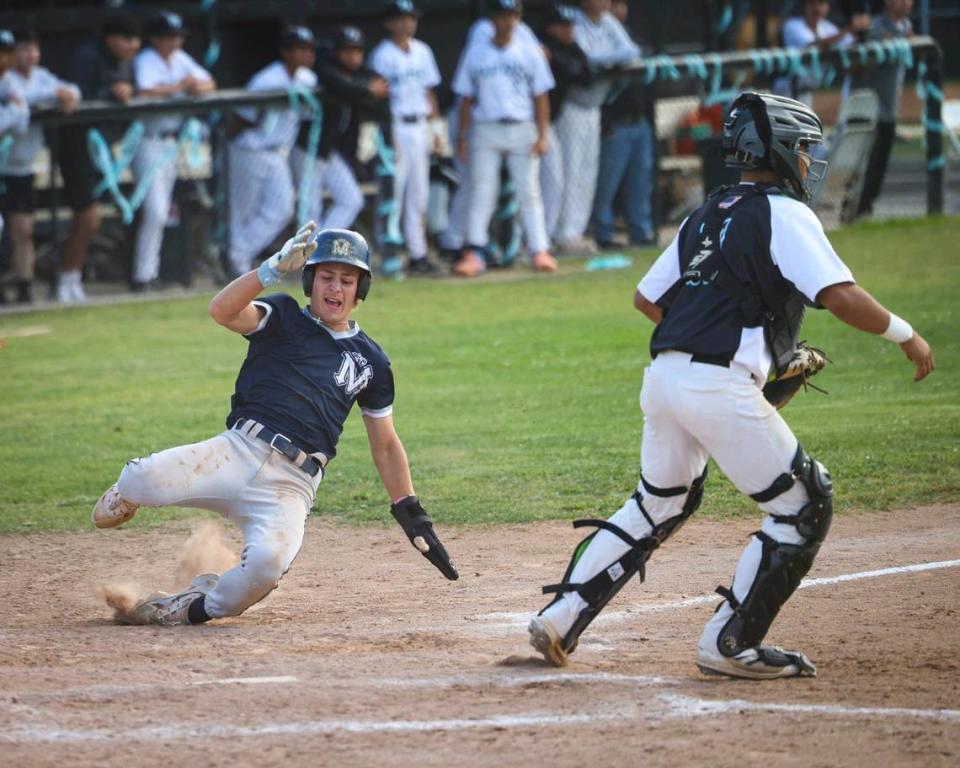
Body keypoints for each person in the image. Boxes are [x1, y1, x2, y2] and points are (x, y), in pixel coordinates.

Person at [528, 92, 934, 679]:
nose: (806, 161)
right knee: (803, 505)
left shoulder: (707, 211)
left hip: (665, 377)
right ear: (775, 150)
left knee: (657, 503)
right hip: (716, 385)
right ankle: (729, 644)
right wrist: (906, 335)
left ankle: (560, 618)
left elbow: (648, 298)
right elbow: (839, 296)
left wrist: (714, 344)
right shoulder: (786, 213)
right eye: (801, 149)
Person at [90, 223, 459, 626]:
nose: (335, 289)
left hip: (291, 484)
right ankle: (127, 490)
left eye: (347, 280)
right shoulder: (282, 316)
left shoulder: (371, 361)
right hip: (237, 451)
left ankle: (190, 603)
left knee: (265, 568)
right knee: (141, 480)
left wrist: (411, 512)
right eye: (326, 277)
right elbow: (222, 311)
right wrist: (267, 272)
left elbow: (385, 445)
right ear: (309, 281)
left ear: (360, 290)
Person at [451, 0, 557, 278]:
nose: (508, 20)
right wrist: (462, 136)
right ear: (493, 19)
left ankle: (539, 249)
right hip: (486, 127)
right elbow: (466, 98)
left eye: (512, 15)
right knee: (482, 191)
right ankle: (475, 251)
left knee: (529, 191)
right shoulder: (476, 52)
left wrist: (543, 134)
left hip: (522, 126)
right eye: (502, 15)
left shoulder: (529, 51)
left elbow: (541, 96)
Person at [56, 13, 140, 303]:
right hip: (77, 145)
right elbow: (75, 99)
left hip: (104, 150)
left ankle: (71, 276)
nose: (133, 46)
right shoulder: (87, 58)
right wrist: (110, 92)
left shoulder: (125, 62)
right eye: (127, 39)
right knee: (88, 217)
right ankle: (67, 276)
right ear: (111, 39)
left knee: (91, 219)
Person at [130, 11, 215, 291]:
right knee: (155, 210)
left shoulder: (180, 59)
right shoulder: (146, 60)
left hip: (172, 144)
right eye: (168, 37)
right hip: (149, 141)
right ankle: (143, 276)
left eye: (177, 36)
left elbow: (209, 83)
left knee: (164, 209)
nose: (174, 42)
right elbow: (144, 92)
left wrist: (191, 86)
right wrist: (180, 87)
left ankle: (150, 274)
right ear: (155, 39)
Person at [228, 25, 317, 278]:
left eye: (309, 49)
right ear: (285, 52)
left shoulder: (308, 80)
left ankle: (237, 254)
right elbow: (240, 118)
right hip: (250, 149)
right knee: (241, 211)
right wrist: (233, 150)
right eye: (300, 49)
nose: (306, 55)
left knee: (283, 208)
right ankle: (237, 265)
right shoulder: (266, 80)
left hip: (278, 153)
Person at [552, 0, 639, 255]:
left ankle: (575, 232)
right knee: (569, 169)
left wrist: (607, 60)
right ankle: (563, 232)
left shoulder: (608, 22)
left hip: (594, 106)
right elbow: (585, 57)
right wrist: (610, 59)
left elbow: (631, 51)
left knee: (587, 171)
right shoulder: (574, 21)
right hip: (571, 106)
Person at [368, 0, 443, 276]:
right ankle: (387, 250)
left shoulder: (423, 51)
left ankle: (418, 252)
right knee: (393, 192)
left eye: (411, 18)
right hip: (396, 127)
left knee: (419, 194)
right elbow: (378, 101)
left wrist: (436, 131)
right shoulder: (382, 55)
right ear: (389, 22)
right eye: (400, 18)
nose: (407, 23)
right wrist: (387, 137)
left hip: (420, 125)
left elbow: (429, 93)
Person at [291, 26, 386, 232]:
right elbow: (335, 81)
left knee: (351, 200)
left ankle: (319, 249)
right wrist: (366, 89)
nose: (353, 56)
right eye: (347, 50)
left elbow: (378, 82)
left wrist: (365, 87)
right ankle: (308, 258)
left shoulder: (358, 74)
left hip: (329, 153)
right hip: (307, 150)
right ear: (337, 51)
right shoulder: (324, 69)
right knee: (310, 211)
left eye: (357, 50)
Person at [591, 0, 655, 248]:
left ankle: (641, 230)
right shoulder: (599, 39)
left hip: (639, 122)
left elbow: (643, 52)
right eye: (613, 5)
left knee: (641, 182)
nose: (617, 10)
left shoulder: (628, 36)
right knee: (607, 184)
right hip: (615, 124)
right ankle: (603, 234)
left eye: (621, 5)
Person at [851, 0, 913, 217]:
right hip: (870, 108)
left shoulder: (905, 27)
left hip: (890, 108)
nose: (905, 3)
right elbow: (857, 64)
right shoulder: (875, 28)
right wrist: (879, 48)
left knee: (880, 164)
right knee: (862, 162)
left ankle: (866, 208)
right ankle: (853, 207)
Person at [538, 4, 592, 244]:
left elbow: (585, 75)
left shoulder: (568, 49)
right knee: (540, 183)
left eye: (570, 26)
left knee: (554, 180)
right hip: (530, 123)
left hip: (547, 124)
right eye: (563, 26)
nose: (568, 31)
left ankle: (545, 238)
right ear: (551, 28)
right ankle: (536, 238)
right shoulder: (537, 46)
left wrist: (557, 58)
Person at [773, 0, 869, 107]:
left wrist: (862, 31)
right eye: (812, 4)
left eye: (821, 4)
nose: (817, 8)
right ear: (804, 7)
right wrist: (850, 29)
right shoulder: (792, 25)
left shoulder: (827, 27)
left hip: (808, 93)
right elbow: (813, 45)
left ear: (827, 7)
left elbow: (849, 44)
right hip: (786, 92)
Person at [0, 30, 30, 302]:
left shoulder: (10, 80)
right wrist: (13, 111)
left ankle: (19, 288)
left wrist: (13, 112)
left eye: (7, 51)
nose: (5, 58)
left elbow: (22, 122)